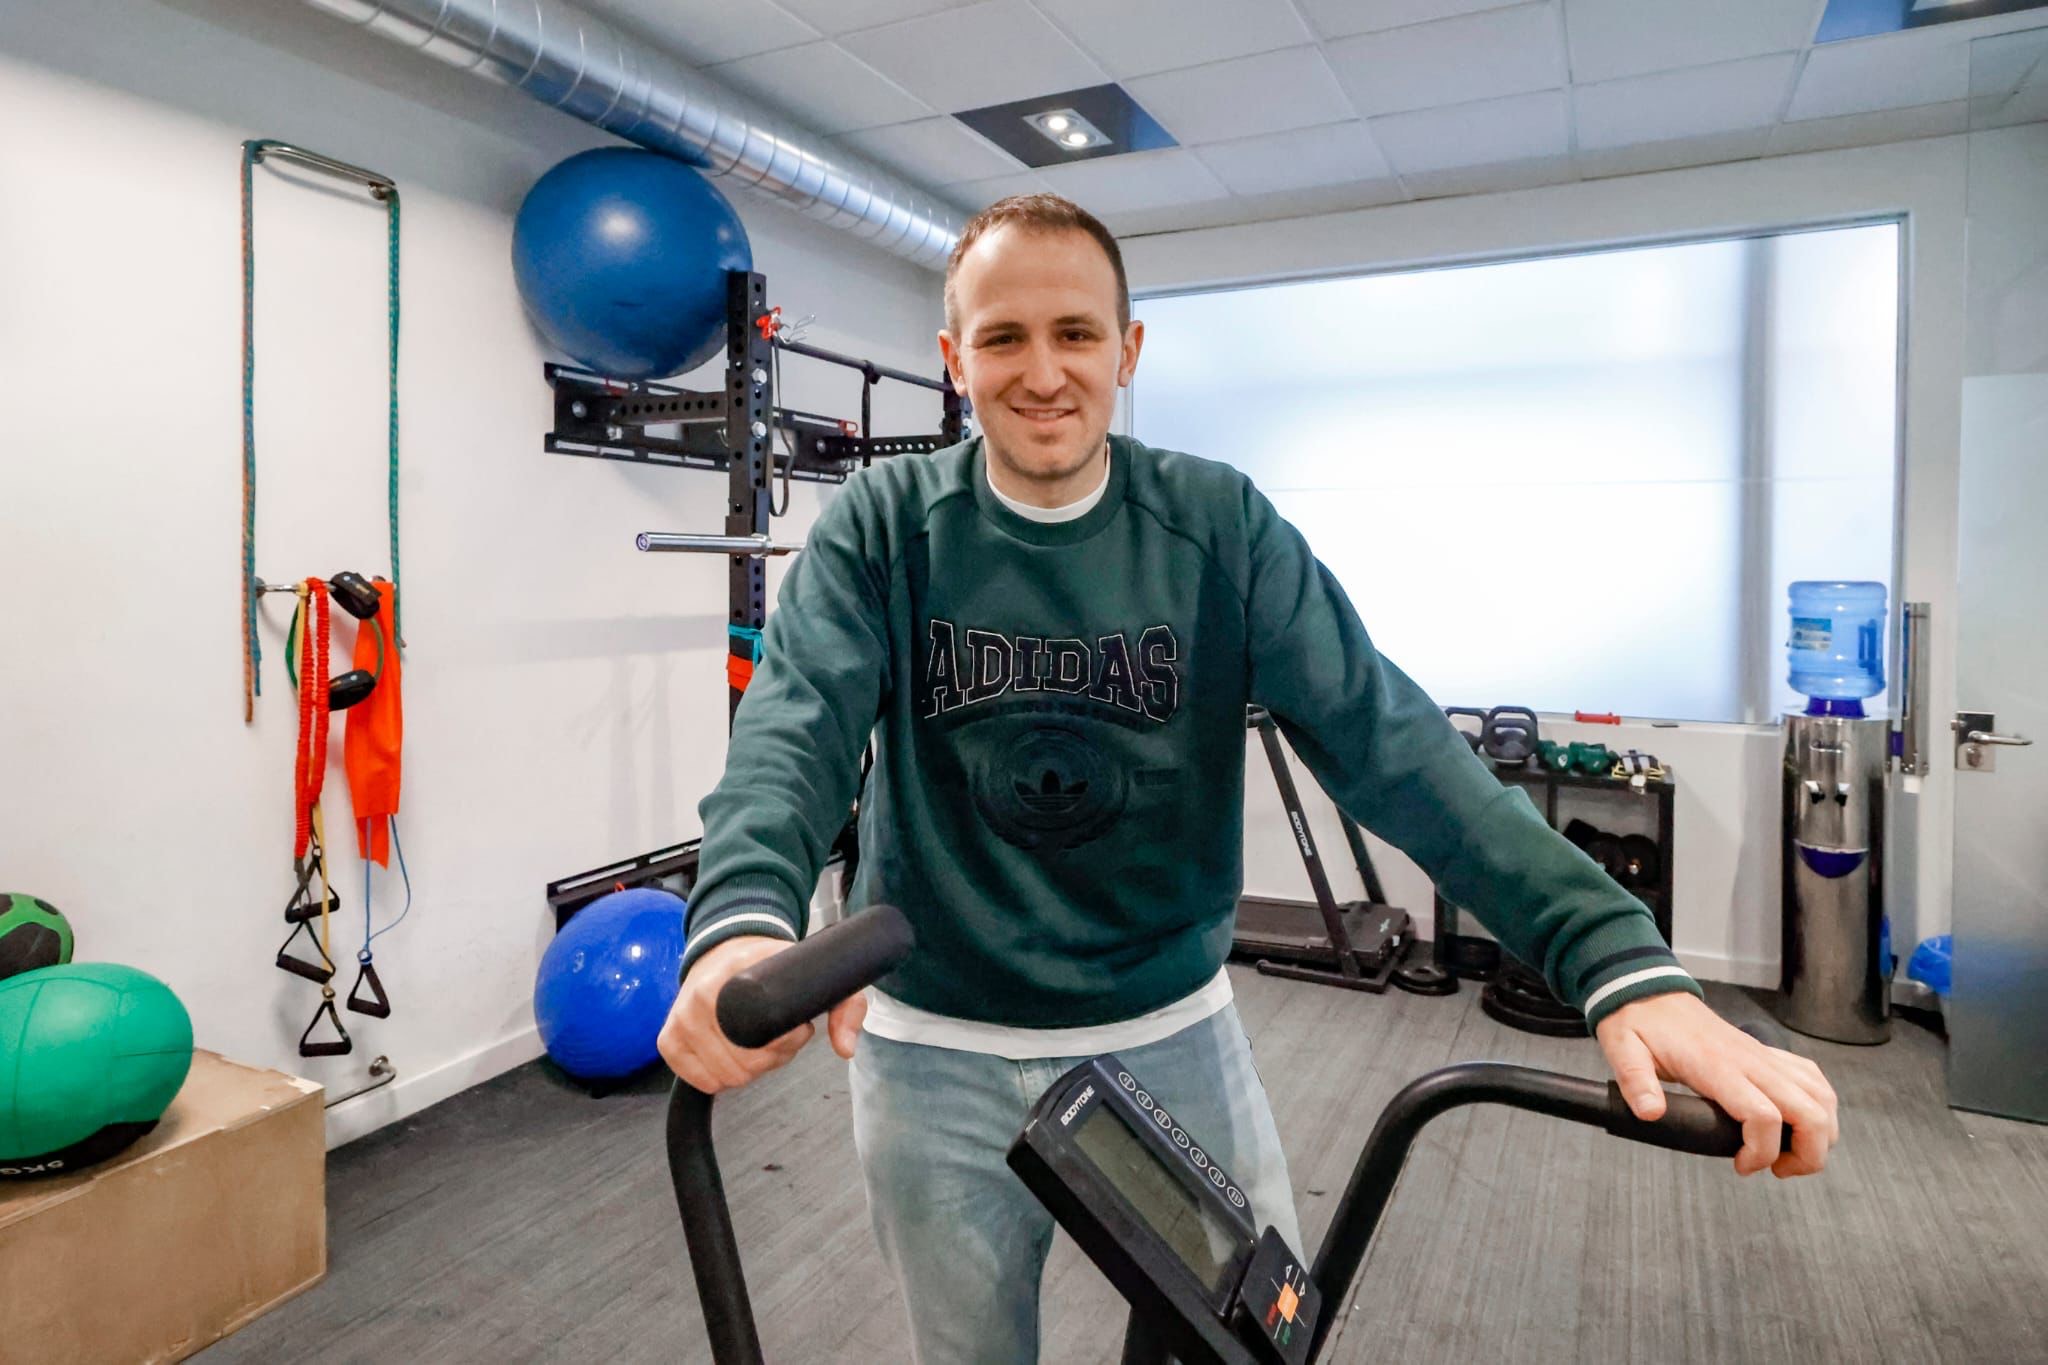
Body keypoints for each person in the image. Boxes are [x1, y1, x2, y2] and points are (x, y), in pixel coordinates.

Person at [659, 193, 1840, 1363]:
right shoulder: (884, 522)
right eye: (1001, 338)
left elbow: (1394, 744)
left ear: (1125, 350)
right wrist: (740, 926)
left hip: (1167, 1030)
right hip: (935, 1049)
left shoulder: (1214, 524)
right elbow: (794, 729)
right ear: (952, 358)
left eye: (1074, 334)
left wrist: (1619, 962)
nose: (1041, 373)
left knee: (1251, 1345)